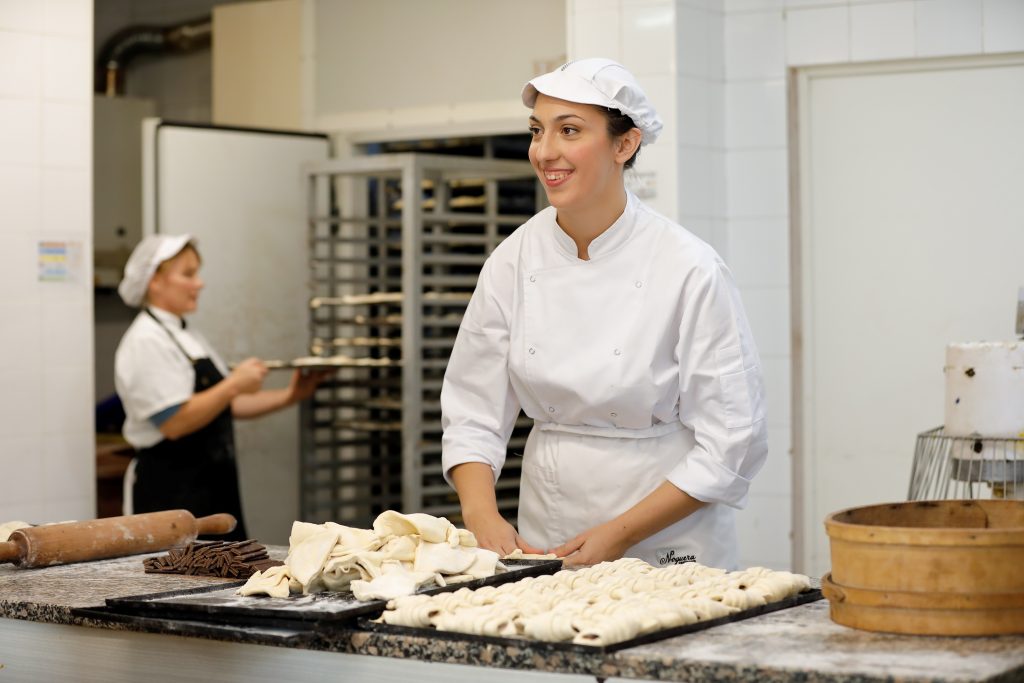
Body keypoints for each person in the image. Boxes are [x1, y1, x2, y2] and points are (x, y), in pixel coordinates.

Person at [440, 59, 768, 569]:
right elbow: (472, 410)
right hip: (546, 529)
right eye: (537, 131)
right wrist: (482, 516)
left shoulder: (688, 266)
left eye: (569, 130)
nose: (544, 151)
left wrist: (619, 535)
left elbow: (733, 441)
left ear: (625, 145)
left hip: (669, 538)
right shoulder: (513, 260)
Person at [114, 234, 326, 540]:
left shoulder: (188, 335)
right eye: (188, 274)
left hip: (211, 485)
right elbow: (174, 423)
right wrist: (234, 383)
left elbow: (222, 406)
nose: (199, 283)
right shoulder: (146, 340)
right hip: (170, 490)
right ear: (155, 281)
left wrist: (291, 395)